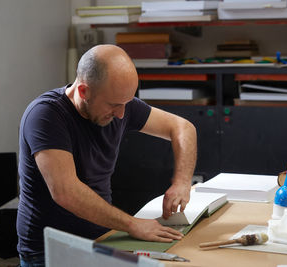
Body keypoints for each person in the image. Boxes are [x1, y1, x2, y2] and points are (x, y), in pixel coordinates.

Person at [17, 44, 197, 266]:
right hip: (49, 251)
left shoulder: (121, 105)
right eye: (114, 105)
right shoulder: (45, 116)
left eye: (126, 103)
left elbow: (183, 128)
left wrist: (182, 182)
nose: (121, 114)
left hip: (103, 240)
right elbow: (66, 192)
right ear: (84, 91)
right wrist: (133, 224)